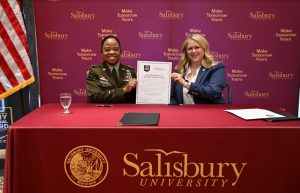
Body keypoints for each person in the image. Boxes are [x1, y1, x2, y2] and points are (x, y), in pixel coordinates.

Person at [170, 34, 226, 104]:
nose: (193, 51)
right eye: (190, 48)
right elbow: (173, 97)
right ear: (186, 52)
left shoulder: (216, 67)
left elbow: (214, 92)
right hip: (184, 113)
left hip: (210, 112)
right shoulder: (179, 70)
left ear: (204, 49)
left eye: (197, 47)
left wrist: (185, 83)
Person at [86, 35, 137, 103]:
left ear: (121, 52)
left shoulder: (131, 72)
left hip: (125, 112)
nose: (111, 52)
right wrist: (123, 90)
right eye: (107, 50)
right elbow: (95, 96)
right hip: (102, 112)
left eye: (115, 49)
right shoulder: (94, 71)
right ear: (102, 52)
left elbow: (135, 99)